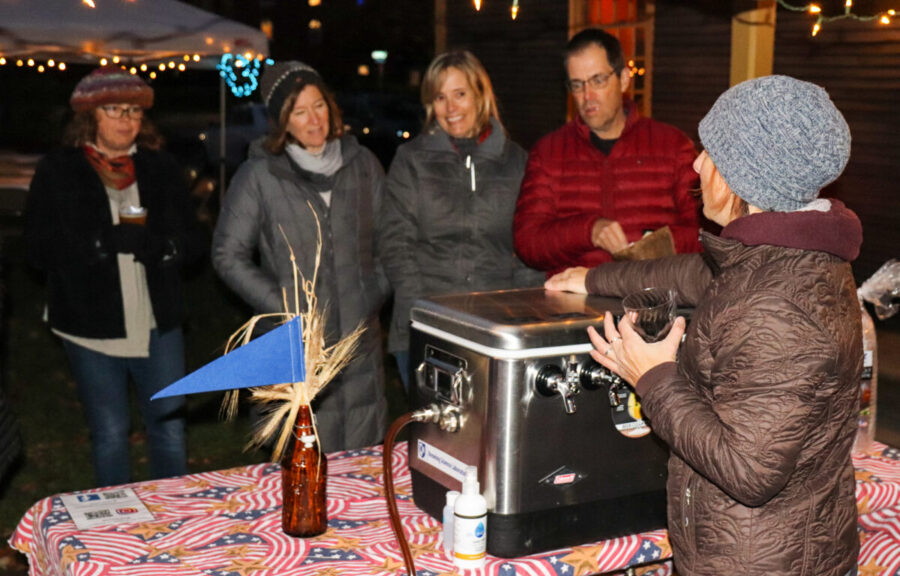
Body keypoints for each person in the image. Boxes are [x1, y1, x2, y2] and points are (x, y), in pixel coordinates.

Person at [546, 75, 861, 576]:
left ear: (749, 176)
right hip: (769, 557)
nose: (695, 165)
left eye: (711, 153)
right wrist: (594, 277)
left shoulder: (776, 307)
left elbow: (748, 471)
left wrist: (653, 375)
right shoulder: (785, 255)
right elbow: (698, 276)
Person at [25, 67, 195, 486]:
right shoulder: (59, 171)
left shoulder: (160, 167)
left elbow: (194, 242)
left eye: (134, 112)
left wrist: (158, 246)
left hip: (158, 324)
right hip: (90, 327)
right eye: (114, 110)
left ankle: (173, 518)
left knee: (170, 428)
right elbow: (37, 249)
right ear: (90, 116)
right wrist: (102, 243)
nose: (127, 120)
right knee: (111, 433)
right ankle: (119, 529)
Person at [212, 61, 388, 453]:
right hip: (293, 347)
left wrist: (370, 294)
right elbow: (228, 254)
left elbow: (390, 242)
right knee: (298, 468)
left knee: (360, 472)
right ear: (281, 122)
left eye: (319, 105)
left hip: (358, 347)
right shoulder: (259, 176)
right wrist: (285, 307)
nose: (314, 119)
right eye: (299, 111)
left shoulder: (364, 166)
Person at [378, 50, 543, 389]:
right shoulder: (412, 161)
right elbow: (396, 245)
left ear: (481, 95)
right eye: (440, 97)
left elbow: (530, 247)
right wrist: (426, 317)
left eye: (460, 94)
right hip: (424, 328)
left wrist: (523, 317)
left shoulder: (516, 162)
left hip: (495, 332)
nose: (450, 108)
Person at [514, 28, 701, 276]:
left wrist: (660, 245)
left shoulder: (674, 146)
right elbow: (528, 243)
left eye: (598, 80)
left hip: (653, 296)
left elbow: (708, 234)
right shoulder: (548, 152)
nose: (587, 96)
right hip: (575, 302)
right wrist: (588, 231)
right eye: (577, 85)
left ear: (623, 79)